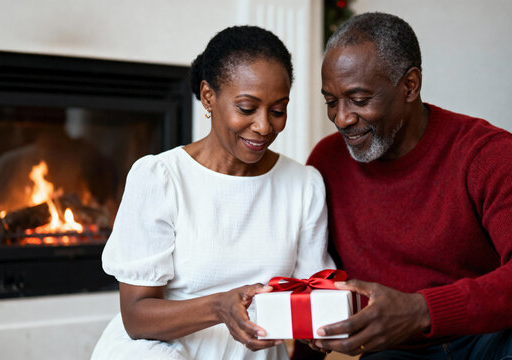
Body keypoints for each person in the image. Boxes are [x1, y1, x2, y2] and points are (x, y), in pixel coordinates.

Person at [300, 12, 512, 360]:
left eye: (359, 100)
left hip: (490, 337)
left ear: (410, 85)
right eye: (331, 101)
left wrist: (422, 310)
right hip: (397, 352)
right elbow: (313, 274)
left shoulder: (484, 151)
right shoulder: (326, 162)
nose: (342, 118)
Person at [91, 25, 334, 360]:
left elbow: (312, 299)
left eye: (278, 110)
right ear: (208, 96)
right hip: (162, 352)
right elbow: (136, 317)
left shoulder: (303, 185)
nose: (264, 126)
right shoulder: (161, 178)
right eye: (247, 108)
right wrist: (219, 307)